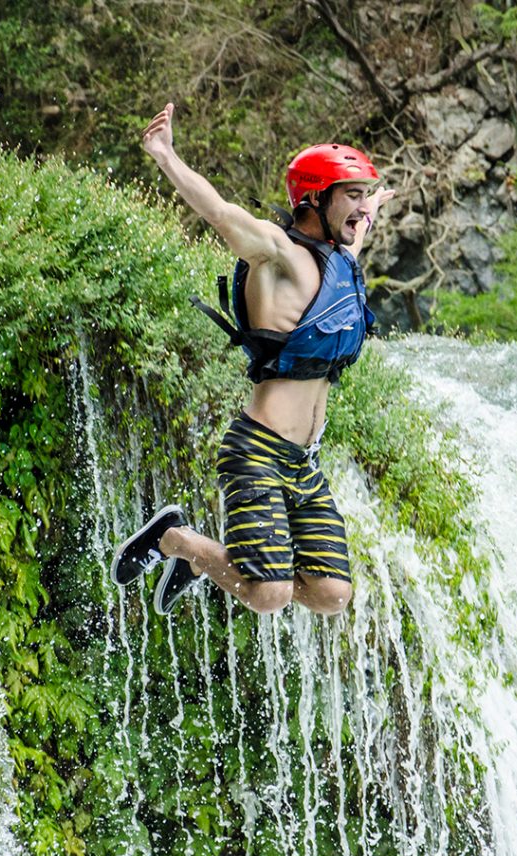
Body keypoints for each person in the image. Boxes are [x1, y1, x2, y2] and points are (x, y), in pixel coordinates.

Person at [111, 102, 394, 616]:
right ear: (315, 197)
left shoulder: (341, 261)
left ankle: (200, 560)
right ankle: (177, 541)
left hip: (302, 461)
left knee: (332, 595)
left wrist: (370, 206)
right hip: (258, 452)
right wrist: (165, 155)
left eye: (364, 197)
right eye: (351, 196)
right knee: (268, 595)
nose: (362, 207)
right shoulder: (276, 254)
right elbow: (218, 211)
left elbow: (359, 228)